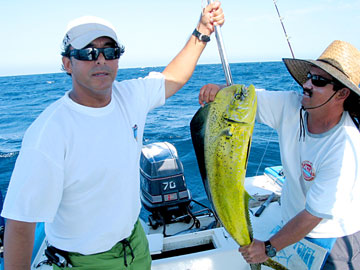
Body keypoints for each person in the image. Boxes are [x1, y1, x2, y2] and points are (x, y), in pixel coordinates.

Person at [1, 3, 224, 270]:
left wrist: (202, 30)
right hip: (84, 262)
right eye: (88, 52)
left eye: (110, 51)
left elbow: (173, 77)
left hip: (135, 246)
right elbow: (20, 224)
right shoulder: (49, 132)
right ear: (67, 63)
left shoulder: (129, 97)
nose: (101, 59)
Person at [198, 40, 360, 269]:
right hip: (290, 223)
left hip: (333, 237)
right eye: (308, 76)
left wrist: (268, 248)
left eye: (319, 81)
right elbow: (246, 98)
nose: (307, 84)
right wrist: (221, 91)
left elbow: (313, 216)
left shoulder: (345, 147)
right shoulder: (292, 105)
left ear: (342, 93)